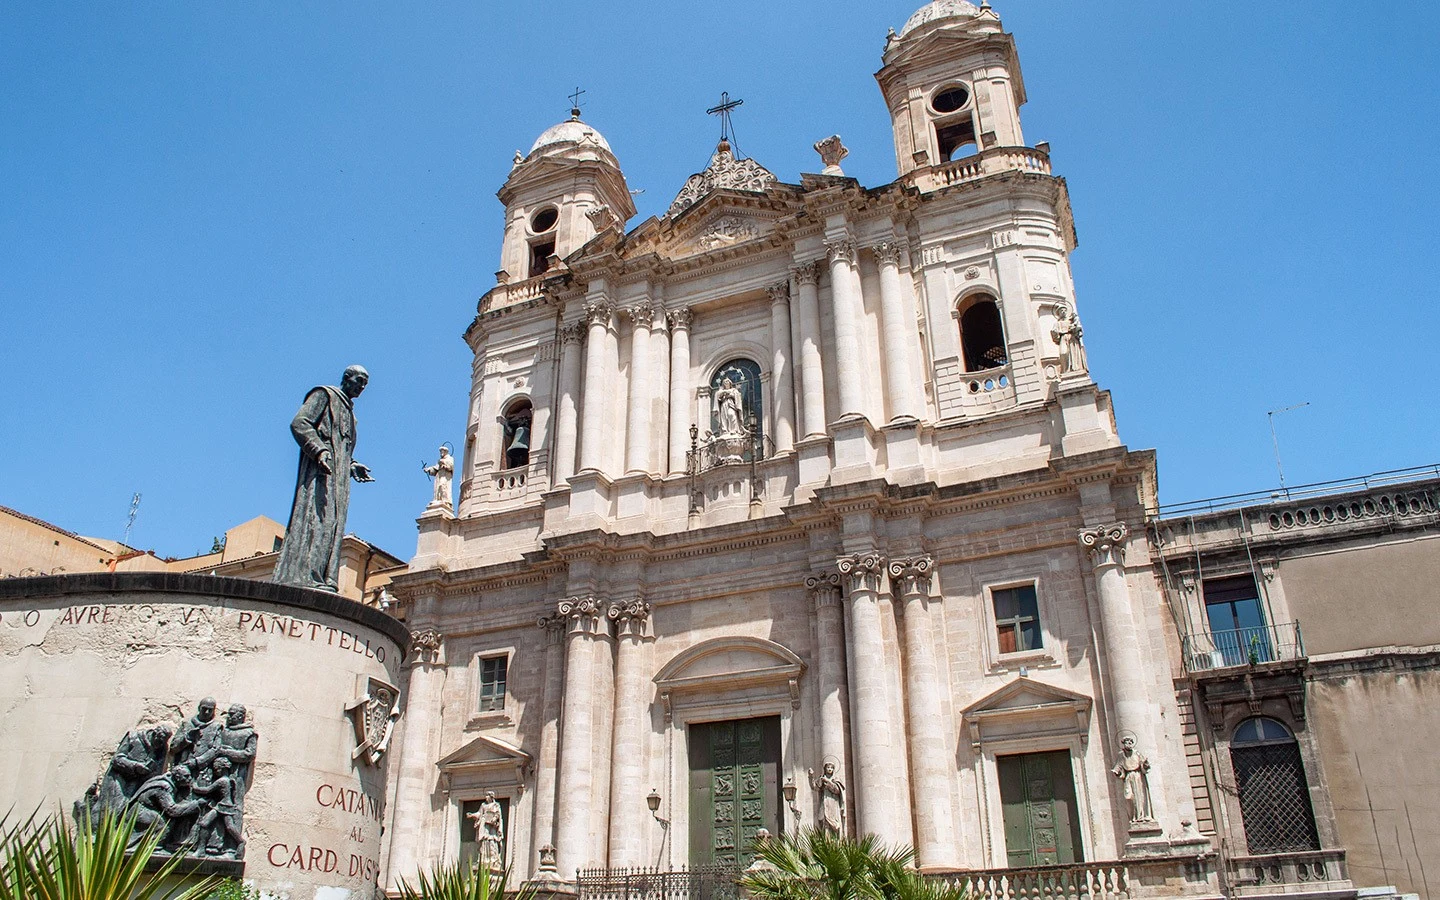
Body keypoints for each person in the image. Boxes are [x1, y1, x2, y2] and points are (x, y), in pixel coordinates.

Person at [274, 365, 374, 591]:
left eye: (365, 384)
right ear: (346, 378)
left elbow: (343, 449)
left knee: (332, 526)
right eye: (359, 381)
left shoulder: (351, 416)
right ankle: (304, 577)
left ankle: (322, 578)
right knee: (315, 521)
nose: (362, 387)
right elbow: (300, 423)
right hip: (319, 473)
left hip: (339, 480)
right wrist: (318, 450)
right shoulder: (324, 395)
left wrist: (352, 465)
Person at [95, 724, 172, 823]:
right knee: (109, 809)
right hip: (118, 778)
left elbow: (157, 772)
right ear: (154, 734)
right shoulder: (133, 737)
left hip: (137, 783)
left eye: (163, 742)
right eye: (160, 740)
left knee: (126, 812)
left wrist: (148, 771)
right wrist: (135, 766)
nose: (160, 744)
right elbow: (116, 759)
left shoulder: (162, 748)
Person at [128, 764, 203, 853]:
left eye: (190, 776)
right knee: (162, 824)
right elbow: (172, 810)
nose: (190, 779)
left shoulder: (169, 782)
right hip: (140, 811)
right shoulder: (163, 787)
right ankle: (151, 848)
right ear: (177, 777)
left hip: (149, 809)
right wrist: (195, 804)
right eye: (186, 776)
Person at [1111, 731, 1154, 824]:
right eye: (1127, 742)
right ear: (1124, 744)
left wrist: (1146, 764)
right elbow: (1118, 765)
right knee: (1128, 797)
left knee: (1139, 796)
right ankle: (1133, 816)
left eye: (1130, 742)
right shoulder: (1121, 755)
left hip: (1138, 776)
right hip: (1128, 777)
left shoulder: (1137, 753)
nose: (1129, 744)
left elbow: (1144, 764)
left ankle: (1140, 817)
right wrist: (1116, 772)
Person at [171, 698, 219, 770]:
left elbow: (216, 749)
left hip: (203, 772)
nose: (207, 712)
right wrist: (187, 738)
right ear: (199, 708)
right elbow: (173, 747)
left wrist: (197, 761)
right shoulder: (187, 724)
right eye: (204, 708)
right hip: (182, 768)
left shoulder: (216, 727)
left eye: (210, 710)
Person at [807, 761, 846, 836]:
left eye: (831, 768)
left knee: (835, 824)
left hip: (833, 804)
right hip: (824, 804)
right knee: (825, 824)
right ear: (825, 769)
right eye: (828, 767)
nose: (830, 769)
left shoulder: (836, 780)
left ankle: (836, 842)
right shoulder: (821, 779)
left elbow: (837, 790)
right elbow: (814, 787)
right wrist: (811, 776)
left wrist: (828, 782)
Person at [469, 790, 504, 871]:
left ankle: (493, 859)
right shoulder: (483, 805)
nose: (486, 797)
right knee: (484, 840)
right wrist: (472, 815)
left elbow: (498, 814)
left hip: (492, 825)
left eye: (487, 796)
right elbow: (479, 814)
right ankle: (483, 859)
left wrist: (494, 819)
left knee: (492, 840)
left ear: (491, 797)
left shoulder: (496, 805)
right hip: (484, 824)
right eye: (486, 796)